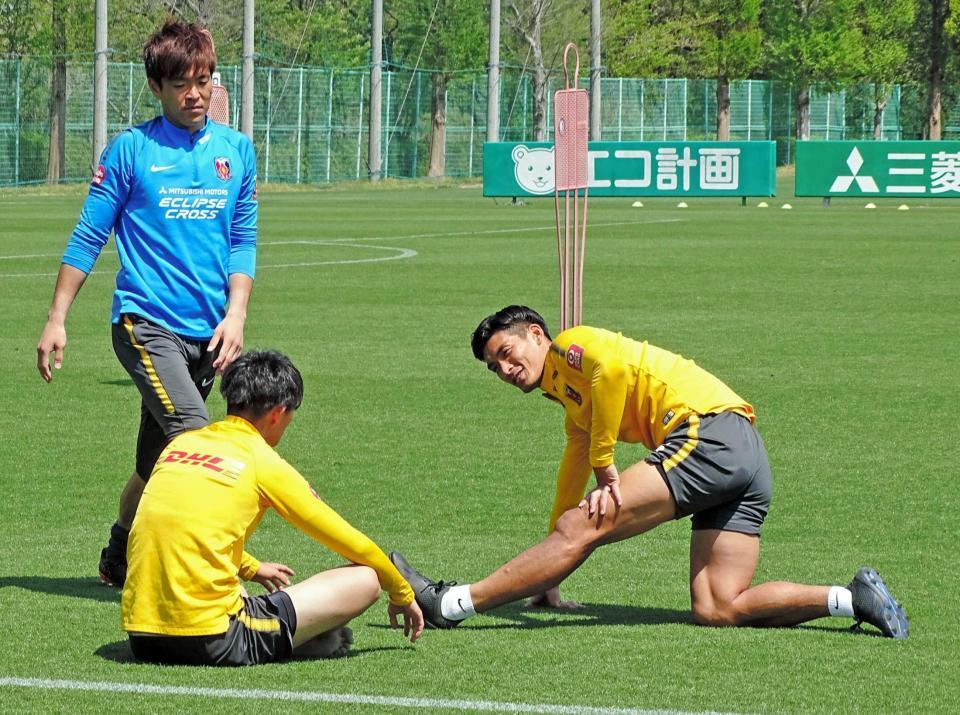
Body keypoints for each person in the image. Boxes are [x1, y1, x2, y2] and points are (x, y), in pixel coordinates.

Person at [391, 305, 909, 639]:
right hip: (742, 456)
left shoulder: (574, 344)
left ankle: (449, 604)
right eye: (493, 367)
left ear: (535, 333)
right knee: (717, 606)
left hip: (708, 436)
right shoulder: (568, 399)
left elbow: (612, 371)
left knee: (582, 529)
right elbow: (570, 477)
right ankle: (852, 599)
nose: (503, 370)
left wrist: (603, 462)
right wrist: (553, 556)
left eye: (506, 353)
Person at [35, 20, 258, 588]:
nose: (196, 94)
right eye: (182, 83)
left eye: (204, 80)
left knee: (152, 463)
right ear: (156, 87)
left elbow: (242, 238)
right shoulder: (130, 150)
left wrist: (235, 315)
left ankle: (118, 552)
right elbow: (89, 236)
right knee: (195, 438)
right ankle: (210, 575)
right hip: (145, 323)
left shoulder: (237, 151)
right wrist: (57, 318)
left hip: (209, 333)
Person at [122, 349, 424, 665]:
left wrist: (251, 567)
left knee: (233, 587)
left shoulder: (181, 445)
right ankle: (297, 637)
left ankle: (287, 631)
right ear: (279, 412)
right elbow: (348, 541)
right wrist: (401, 592)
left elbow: (180, 531)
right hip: (212, 638)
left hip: (142, 638)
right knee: (366, 579)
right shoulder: (262, 461)